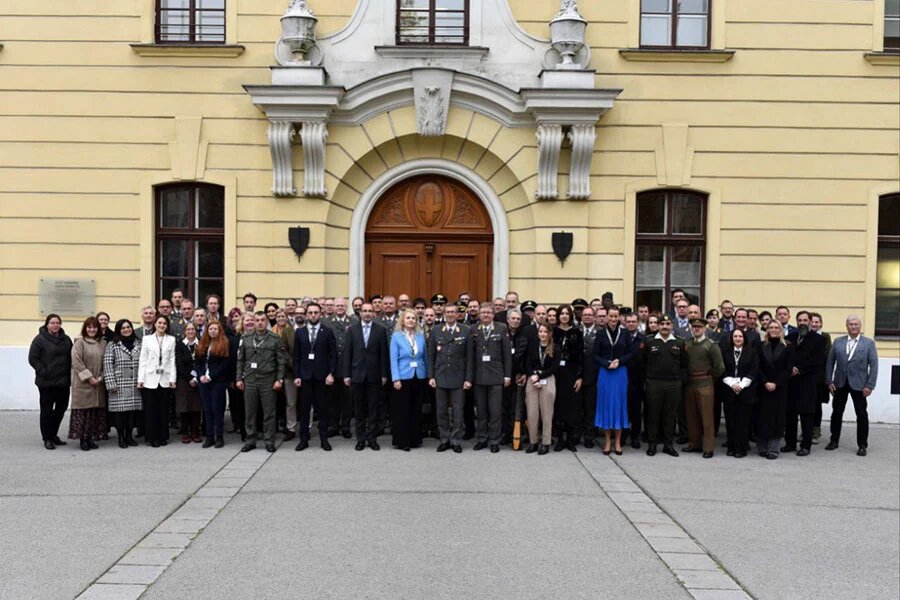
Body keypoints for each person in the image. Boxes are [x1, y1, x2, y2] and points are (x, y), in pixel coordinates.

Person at [825, 315, 878, 456]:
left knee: (861, 414)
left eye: (856, 324)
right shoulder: (838, 342)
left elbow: (874, 365)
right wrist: (829, 381)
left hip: (859, 384)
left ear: (860, 326)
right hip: (840, 383)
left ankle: (862, 445)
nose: (853, 326)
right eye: (851, 324)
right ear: (846, 326)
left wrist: (870, 385)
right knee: (836, 413)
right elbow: (830, 362)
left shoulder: (868, 343)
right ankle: (834, 440)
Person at [236, 312, 287, 453]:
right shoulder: (246, 338)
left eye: (262, 320)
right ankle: (250, 440)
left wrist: (279, 379)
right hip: (250, 380)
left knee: (269, 413)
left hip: (268, 380)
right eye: (256, 320)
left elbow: (281, 361)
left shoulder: (275, 339)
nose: (259, 323)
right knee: (250, 412)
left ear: (266, 322)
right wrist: (239, 378)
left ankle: (269, 440)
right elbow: (240, 360)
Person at [343, 303, 390, 451]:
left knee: (373, 409)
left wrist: (384, 374)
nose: (368, 313)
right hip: (357, 375)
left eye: (370, 311)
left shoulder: (381, 330)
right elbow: (347, 354)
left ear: (373, 314)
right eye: (365, 311)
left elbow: (384, 355)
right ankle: (361, 439)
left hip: (374, 375)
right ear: (360, 313)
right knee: (359, 409)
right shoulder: (352, 330)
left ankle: (372, 438)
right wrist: (346, 374)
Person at [427, 303, 472, 453]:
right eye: (448, 312)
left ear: (458, 314)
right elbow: (431, 355)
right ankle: (444, 439)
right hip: (440, 376)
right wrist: (431, 376)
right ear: (444, 314)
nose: (451, 314)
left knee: (458, 412)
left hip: (459, 378)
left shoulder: (465, 330)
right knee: (441, 411)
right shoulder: (436, 330)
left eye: (453, 312)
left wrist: (468, 378)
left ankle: (456, 440)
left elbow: (470, 357)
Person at [293, 303, 337, 451]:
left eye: (316, 312)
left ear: (320, 314)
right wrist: (297, 375)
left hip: (322, 377)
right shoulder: (300, 332)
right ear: (306, 315)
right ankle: (303, 440)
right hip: (305, 377)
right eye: (310, 313)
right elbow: (296, 356)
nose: (313, 315)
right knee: (304, 410)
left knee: (323, 410)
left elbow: (333, 355)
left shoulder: (328, 332)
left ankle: (324, 439)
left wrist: (331, 373)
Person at [641, 315, 686, 457]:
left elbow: (685, 365)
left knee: (670, 415)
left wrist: (680, 381)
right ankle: (652, 444)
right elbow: (642, 363)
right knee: (653, 414)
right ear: (658, 326)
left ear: (671, 326)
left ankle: (668, 444)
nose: (665, 326)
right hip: (654, 383)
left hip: (673, 384)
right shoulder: (649, 342)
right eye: (662, 324)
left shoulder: (679, 342)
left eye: (667, 323)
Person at [784, 311, 826, 456]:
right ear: (796, 321)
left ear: (810, 321)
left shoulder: (819, 340)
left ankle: (805, 445)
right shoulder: (790, 338)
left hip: (808, 382)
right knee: (790, 415)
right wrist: (790, 368)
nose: (802, 323)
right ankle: (790, 443)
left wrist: (799, 369)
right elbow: (786, 357)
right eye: (799, 320)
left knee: (807, 415)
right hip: (791, 382)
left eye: (805, 320)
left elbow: (817, 361)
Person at [593, 306, 634, 455]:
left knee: (618, 405)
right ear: (607, 317)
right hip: (605, 373)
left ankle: (617, 441)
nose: (613, 319)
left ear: (619, 318)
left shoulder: (624, 333)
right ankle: (607, 441)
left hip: (620, 373)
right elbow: (595, 354)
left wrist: (619, 361)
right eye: (611, 316)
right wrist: (606, 363)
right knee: (606, 406)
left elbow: (631, 352)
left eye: (616, 316)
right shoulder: (601, 333)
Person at [471, 304, 512, 453]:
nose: (486, 315)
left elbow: (507, 355)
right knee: (481, 411)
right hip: (479, 376)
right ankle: (482, 438)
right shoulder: (473, 329)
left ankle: (494, 440)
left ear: (493, 314)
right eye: (483, 313)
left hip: (496, 376)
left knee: (495, 411)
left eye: (488, 313)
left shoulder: (501, 328)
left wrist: (507, 375)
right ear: (479, 315)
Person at [29, 314, 73, 449]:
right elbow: (33, 358)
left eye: (58, 323)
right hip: (46, 382)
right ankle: (47, 438)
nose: (55, 325)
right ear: (47, 324)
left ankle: (53, 434)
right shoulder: (39, 339)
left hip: (63, 381)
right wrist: (43, 371)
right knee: (47, 411)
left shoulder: (66, 339)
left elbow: (71, 356)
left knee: (61, 408)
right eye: (52, 323)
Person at [682, 318, 725, 458]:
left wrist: (710, 378)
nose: (696, 329)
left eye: (699, 327)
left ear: (705, 328)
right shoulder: (687, 345)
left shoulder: (711, 346)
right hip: (690, 383)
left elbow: (719, 367)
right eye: (694, 327)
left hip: (705, 384)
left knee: (707, 418)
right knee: (692, 416)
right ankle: (695, 443)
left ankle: (708, 447)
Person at [389, 309, 427, 452]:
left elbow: (424, 357)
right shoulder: (397, 337)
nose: (411, 320)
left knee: (416, 409)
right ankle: (402, 441)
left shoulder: (420, 336)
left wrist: (428, 375)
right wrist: (395, 378)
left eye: (413, 318)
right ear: (403, 321)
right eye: (408, 318)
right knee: (402, 410)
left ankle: (415, 439)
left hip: (419, 376)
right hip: (403, 376)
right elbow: (393, 358)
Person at [756, 320, 794, 459]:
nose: (773, 329)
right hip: (763, 387)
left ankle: (773, 449)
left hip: (779, 388)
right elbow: (757, 367)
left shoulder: (788, 346)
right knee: (762, 417)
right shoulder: (760, 346)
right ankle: (762, 447)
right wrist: (765, 382)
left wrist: (776, 383)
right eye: (770, 327)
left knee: (776, 418)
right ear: (767, 329)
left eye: (776, 327)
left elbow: (788, 369)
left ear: (780, 329)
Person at [137, 314, 176, 447]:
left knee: (163, 409)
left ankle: (163, 436)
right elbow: (143, 359)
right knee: (150, 410)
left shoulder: (171, 339)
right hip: (149, 379)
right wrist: (140, 379)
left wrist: (172, 379)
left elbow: (172, 360)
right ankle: (152, 437)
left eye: (164, 324)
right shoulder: (146, 339)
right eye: (159, 323)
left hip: (164, 378)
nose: (162, 325)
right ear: (155, 324)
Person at [68, 317, 107, 451]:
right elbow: (76, 362)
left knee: (94, 412)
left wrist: (101, 377)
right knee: (83, 412)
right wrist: (89, 378)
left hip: (98, 383)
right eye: (89, 327)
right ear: (85, 328)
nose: (92, 330)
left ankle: (90, 437)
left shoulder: (103, 343)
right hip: (83, 383)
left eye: (94, 327)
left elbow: (106, 362)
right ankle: (83, 439)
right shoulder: (79, 343)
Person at [104, 319, 142, 449]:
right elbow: (108, 365)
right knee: (121, 414)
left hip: (135, 383)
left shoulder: (139, 343)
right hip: (119, 384)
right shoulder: (112, 345)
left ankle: (129, 436)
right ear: (118, 330)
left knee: (132, 413)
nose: (126, 329)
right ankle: (121, 437)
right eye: (123, 328)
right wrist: (111, 384)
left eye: (128, 327)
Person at [195, 320, 232, 449]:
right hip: (203, 381)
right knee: (207, 410)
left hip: (218, 381)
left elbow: (225, 365)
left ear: (219, 330)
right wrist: (200, 376)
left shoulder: (224, 343)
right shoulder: (202, 343)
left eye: (215, 329)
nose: (213, 331)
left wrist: (210, 376)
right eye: (210, 329)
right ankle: (209, 437)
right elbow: (198, 363)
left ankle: (219, 437)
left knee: (217, 410)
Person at [721, 329, 758, 458]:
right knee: (730, 421)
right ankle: (731, 447)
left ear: (744, 338)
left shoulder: (752, 352)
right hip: (729, 390)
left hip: (746, 391)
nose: (737, 338)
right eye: (735, 336)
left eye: (740, 336)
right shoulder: (725, 352)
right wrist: (732, 384)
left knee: (743, 422)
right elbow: (722, 370)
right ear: (731, 338)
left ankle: (741, 448)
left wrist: (741, 385)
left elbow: (753, 370)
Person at [552, 304, 583, 452]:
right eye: (562, 313)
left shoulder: (577, 332)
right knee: (558, 407)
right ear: (558, 316)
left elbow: (581, 356)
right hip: (556, 372)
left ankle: (570, 440)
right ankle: (559, 439)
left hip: (571, 373)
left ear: (570, 316)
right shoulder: (553, 331)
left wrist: (580, 377)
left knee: (571, 408)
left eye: (567, 313)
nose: (564, 316)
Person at [525, 323, 559, 455]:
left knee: (546, 413)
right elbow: (527, 362)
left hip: (547, 379)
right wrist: (533, 376)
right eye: (540, 332)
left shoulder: (555, 348)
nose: (543, 334)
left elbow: (554, 367)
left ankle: (545, 442)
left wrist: (539, 376)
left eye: (545, 332)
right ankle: (533, 442)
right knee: (532, 413)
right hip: (532, 380)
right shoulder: (533, 346)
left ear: (550, 333)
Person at [324, 298, 353, 439]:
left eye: (342, 305)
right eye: (338, 306)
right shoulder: (326, 322)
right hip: (332, 367)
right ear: (333, 308)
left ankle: (346, 426)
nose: (340, 308)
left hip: (348, 366)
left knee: (347, 400)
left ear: (346, 307)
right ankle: (333, 425)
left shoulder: (354, 322)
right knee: (332, 399)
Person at [174, 322, 202, 444]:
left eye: (193, 329)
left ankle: (195, 432)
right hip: (183, 381)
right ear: (185, 331)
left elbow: (203, 362)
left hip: (198, 380)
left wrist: (196, 378)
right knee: (184, 408)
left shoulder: (201, 343)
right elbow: (179, 364)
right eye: (188, 329)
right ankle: (185, 432)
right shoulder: (180, 345)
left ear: (196, 331)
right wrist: (189, 378)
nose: (190, 331)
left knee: (196, 407)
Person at [577, 307, 599, 448]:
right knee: (577, 408)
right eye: (585, 315)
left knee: (590, 408)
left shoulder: (601, 333)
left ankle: (589, 436)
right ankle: (576, 434)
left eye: (590, 315)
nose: (587, 317)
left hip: (593, 375)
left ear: (594, 317)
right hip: (577, 376)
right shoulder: (575, 331)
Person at [623, 313, 645, 449]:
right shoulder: (621, 337)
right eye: (629, 321)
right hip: (623, 377)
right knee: (624, 408)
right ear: (625, 323)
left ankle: (635, 436)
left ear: (638, 323)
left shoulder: (643, 339)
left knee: (637, 409)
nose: (631, 324)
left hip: (638, 378)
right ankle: (623, 435)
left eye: (633, 321)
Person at [810, 312, 832, 444]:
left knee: (817, 404)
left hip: (819, 376)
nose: (814, 324)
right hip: (806, 376)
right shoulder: (804, 335)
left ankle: (815, 430)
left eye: (816, 322)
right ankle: (806, 430)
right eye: (812, 322)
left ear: (821, 324)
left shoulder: (825, 336)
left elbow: (827, 355)